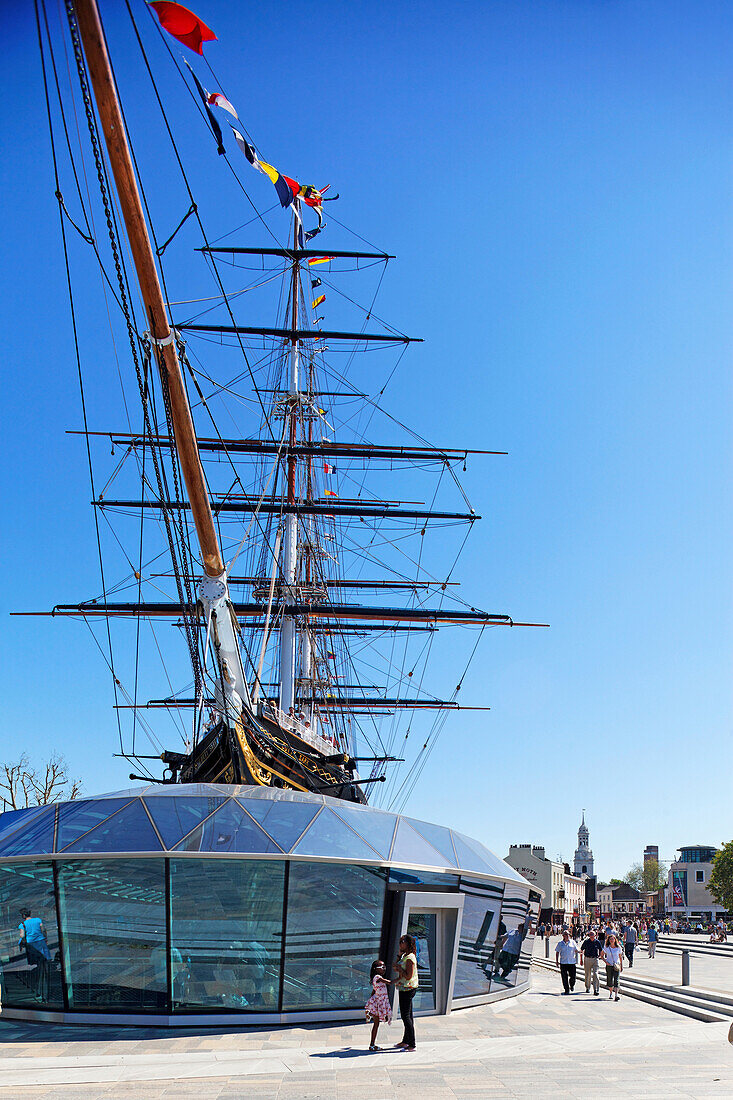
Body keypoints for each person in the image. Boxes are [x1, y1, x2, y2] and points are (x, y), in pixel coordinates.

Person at [18, 907, 51, 1002]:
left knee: (37, 964)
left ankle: (38, 987)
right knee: (44, 963)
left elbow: (22, 936)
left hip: (32, 946)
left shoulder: (22, 924)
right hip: (41, 943)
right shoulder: (38, 920)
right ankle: (45, 980)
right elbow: (43, 930)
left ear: (23, 915)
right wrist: (45, 938)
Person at [393, 934, 418, 1051]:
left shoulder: (410, 958)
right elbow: (395, 966)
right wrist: (398, 957)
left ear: (408, 943)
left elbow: (408, 976)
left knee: (406, 1016)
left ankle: (412, 1044)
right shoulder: (405, 956)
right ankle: (406, 1041)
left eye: (402, 941)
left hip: (407, 989)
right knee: (408, 1015)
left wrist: (399, 969)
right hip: (403, 988)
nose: (400, 943)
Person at [364, 960, 392, 1050]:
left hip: (378, 1002)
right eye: (382, 967)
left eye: (384, 966)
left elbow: (374, 990)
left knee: (377, 1024)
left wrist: (370, 1002)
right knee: (376, 1024)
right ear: (376, 969)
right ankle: (372, 1044)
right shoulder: (378, 977)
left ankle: (372, 1044)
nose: (384, 968)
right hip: (378, 1003)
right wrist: (400, 977)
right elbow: (389, 982)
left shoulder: (377, 978)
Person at [555, 930, 579, 995]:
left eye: (568, 934)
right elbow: (557, 952)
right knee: (564, 977)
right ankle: (566, 989)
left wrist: (579, 951)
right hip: (563, 962)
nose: (567, 936)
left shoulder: (573, 942)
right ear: (563, 936)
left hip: (571, 962)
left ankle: (572, 985)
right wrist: (557, 961)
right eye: (565, 934)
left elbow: (577, 949)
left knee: (573, 977)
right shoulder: (560, 943)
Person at [580, 929, 602, 995]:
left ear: (595, 935)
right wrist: (581, 960)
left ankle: (596, 989)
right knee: (588, 974)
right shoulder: (586, 942)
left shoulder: (597, 942)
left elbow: (601, 950)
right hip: (587, 959)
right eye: (590, 935)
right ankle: (587, 987)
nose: (592, 936)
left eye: (593, 934)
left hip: (595, 959)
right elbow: (581, 950)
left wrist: (600, 956)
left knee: (596, 974)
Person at [602, 933, 623, 1001]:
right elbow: (601, 955)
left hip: (616, 965)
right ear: (608, 940)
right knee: (610, 979)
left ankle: (616, 995)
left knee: (616, 980)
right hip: (609, 965)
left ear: (615, 940)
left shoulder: (618, 947)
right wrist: (606, 962)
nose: (611, 940)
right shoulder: (607, 947)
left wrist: (621, 965)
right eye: (610, 939)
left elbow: (620, 957)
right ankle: (611, 992)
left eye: (613, 939)